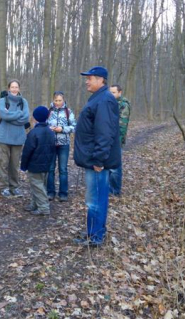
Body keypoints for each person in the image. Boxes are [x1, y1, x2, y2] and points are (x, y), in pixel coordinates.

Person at [73, 66, 121, 247]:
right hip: (93, 159)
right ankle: (94, 230)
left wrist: (99, 160)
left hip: (97, 162)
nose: (87, 81)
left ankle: (96, 236)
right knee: (94, 199)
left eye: (90, 78)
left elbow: (105, 133)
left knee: (95, 200)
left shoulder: (104, 100)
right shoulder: (99, 99)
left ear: (101, 80)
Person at [0, 79, 29, 197]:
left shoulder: (24, 101)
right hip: (4, 136)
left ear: (19, 89)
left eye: (16, 87)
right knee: (3, 163)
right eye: (12, 87)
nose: (14, 89)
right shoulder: (2, 101)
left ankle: (14, 186)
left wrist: (10, 116)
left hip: (18, 137)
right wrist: (18, 114)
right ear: (8, 88)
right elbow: (3, 115)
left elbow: (25, 118)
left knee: (14, 164)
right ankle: (3, 187)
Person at [21, 106, 55, 215]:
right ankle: (34, 204)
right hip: (46, 164)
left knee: (37, 186)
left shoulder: (33, 133)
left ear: (35, 118)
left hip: (34, 165)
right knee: (39, 185)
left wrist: (23, 165)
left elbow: (27, 151)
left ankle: (44, 208)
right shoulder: (50, 132)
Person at [46, 91, 76, 202]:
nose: (58, 102)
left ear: (63, 100)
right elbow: (42, 124)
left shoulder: (68, 112)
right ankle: (50, 192)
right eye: (56, 100)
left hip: (64, 144)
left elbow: (74, 127)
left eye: (60, 100)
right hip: (50, 144)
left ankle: (63, 193)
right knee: (50, 169)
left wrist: (62, 129)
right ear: (53, 100)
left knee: (63, 169)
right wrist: (49, 128)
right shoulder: (48, 111)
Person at [109, 84, 131, 196]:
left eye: (113, 92)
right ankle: (109, 189)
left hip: (116, 140)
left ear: (119, 92)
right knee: (108, 166)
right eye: (110, 92)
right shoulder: (110, 103)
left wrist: (117, 141)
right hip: (107, 139)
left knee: (115, 167)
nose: (111, 94)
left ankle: (115, 190)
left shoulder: (124, 105)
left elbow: (122, 126)